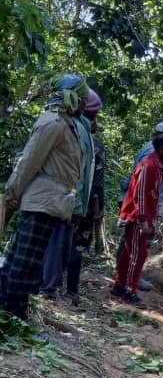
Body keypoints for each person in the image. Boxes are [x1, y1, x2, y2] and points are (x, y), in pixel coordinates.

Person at [0, 75, 88, 319]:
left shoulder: (66, 123)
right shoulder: (53, 123)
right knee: (25, 262)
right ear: (72, 98)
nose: (84, 105)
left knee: (22, 258)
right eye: (81, 99)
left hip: (51, 203)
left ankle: (7, 308)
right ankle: (14, 314)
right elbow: (29, 161)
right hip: (42, 202)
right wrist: (12, 193)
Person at [40, 87, 101, 303]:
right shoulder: (77, 131)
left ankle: (49, 288)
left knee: (59, 244)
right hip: (65, 200)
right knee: (58, 244)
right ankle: (48, 289)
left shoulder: (79, 130)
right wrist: (77, 206)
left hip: (67, 200)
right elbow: (79, 174)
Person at [112, 135, 163, 306]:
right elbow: (140, 196)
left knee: (132, 252)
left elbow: (153, 196)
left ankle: (119, 287)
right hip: (137, 218)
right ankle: (128, 291)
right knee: (137, 254)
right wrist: (144, 221)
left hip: (143, 217)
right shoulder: (148, 166)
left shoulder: (159, 166)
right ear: (162, 147)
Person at [66, 98, 107, 303]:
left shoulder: (67, 132)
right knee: (77, 246)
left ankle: (51, 284)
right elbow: (97, 184)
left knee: (59, 240)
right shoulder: (95, 147)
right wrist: (99, 210)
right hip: (84, 204)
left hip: (63, 197)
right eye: (95, 117)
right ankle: (71, 290)